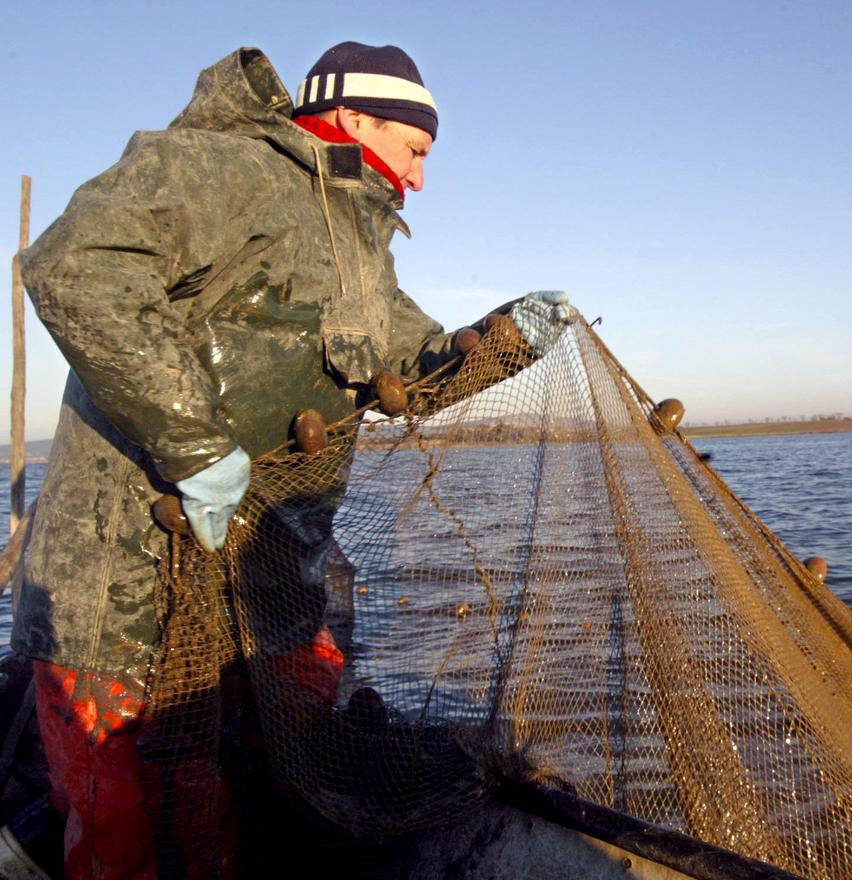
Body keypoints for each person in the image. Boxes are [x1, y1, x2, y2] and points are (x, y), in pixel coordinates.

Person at [7, 42, 575, 880]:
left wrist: (503, 339)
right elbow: (73, 263)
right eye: (416, 150)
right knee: (132, 828)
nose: (419, 180)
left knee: (250, 799)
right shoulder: (221, 169)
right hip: (128, 596)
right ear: (354, 118)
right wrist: (195, 447)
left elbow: (409, 372)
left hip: (270, 590)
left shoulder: (360, 249)